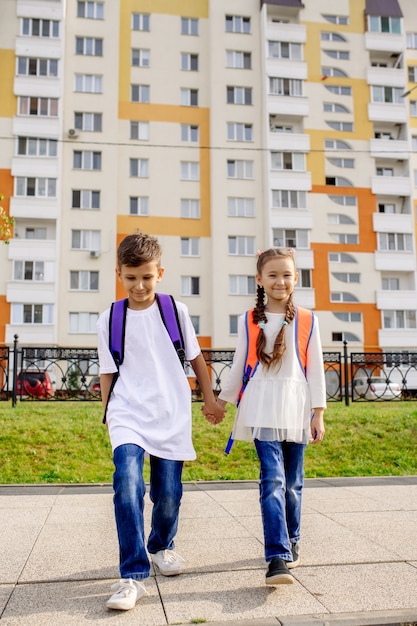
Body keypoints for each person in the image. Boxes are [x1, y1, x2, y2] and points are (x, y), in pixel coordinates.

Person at [97, 232, 224, 611]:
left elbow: (198, 361)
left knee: (167, 495)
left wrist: (210, 399)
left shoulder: (175, 311)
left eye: (146, 277)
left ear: (160, 273)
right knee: (128, 484)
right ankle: (132, 576)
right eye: (131, 277)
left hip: (170, 412)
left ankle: (161, 545)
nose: (139, 285)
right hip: (127, 413)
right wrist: (108, 415)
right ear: (119, 273)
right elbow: (107, 371)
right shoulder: (110, 317)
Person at [206, 248, 326, 585]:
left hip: (296, 406)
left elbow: (315, 370)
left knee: (293, 484)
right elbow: (239, 365)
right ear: (259, 279)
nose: (280, 281)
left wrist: (318, 413)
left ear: (295, 279)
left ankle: (293, 538)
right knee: (272, 480)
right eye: (272, 275)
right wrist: (220, 404)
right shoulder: (249, 319)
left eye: (286, 274)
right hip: (261, 406)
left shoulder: (308, 319)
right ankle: (277, 556)